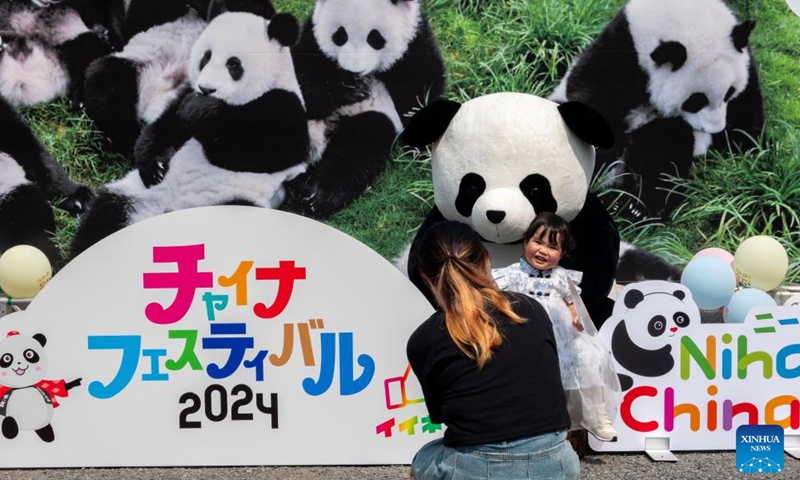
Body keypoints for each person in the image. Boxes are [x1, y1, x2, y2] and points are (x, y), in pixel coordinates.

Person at [407, 221, 580, 480]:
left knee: (422, 460)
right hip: (557, 464)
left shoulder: (424, 338)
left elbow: (442, 416)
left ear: (424, 278)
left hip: (476, 467)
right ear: (486, 260)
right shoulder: (531, 308)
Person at [492, 212, 619, 442]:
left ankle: (595, 415)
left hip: (559, 338)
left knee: (591, 355)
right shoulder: (511, 275)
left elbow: (572, 307)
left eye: (552, 247)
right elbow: (496, 304)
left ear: (562, 253)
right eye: (538, 242)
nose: (543, 250)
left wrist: (577, 319)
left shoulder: (562, 278)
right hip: (523, 335)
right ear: (525, 241)